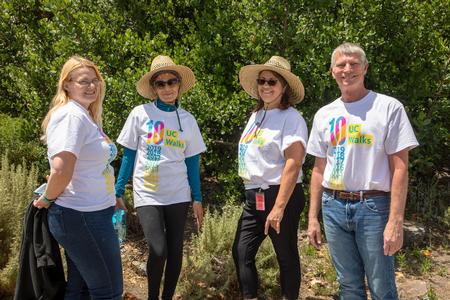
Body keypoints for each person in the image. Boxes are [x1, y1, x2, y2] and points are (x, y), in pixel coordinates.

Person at [306, 42, 419, 299]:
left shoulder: (389, 108)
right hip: (333, 206)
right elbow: (318, 168)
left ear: (365, 68)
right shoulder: (324, 114)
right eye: (341, 64)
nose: (348, 69)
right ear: (332, 71)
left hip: (373, 207)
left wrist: (396, 221)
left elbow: (400, 167)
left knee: (382, 286)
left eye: (354, 63)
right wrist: (313, 218)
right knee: (348, 285)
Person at [115, 55, 206, 300]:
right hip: (148, 192)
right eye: (161, 83)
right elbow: (128, 156)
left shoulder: (188, 120)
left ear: (179, 85)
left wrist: (197, 198)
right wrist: (118, 191)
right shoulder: (139, 114)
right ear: (154, 88)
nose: (167, 87)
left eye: (171, 82)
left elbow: (192, 162)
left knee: (175, 250)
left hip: (178, 193)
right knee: (158, 249)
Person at [34, 55, 124, 299]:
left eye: (95, 80)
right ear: (67, 84)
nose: (91, 86)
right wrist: (47, 198)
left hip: (91, 214)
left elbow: (91, 166)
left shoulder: (84, 115)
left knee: (81, 287)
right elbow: (61, 170)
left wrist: (111, 196)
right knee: (109, 292)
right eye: (84, 81)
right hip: (82, 216)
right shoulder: (71, 116)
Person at [232, 56, 308, 300]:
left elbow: (293, 163)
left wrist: (279, 207)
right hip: (254, 196)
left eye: (272, 81)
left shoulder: (291, 118)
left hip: (280, 194)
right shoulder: (256, 116)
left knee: (285, 256)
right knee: (241, 252)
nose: (266, 86)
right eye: (262, 81)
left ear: (284, 86)